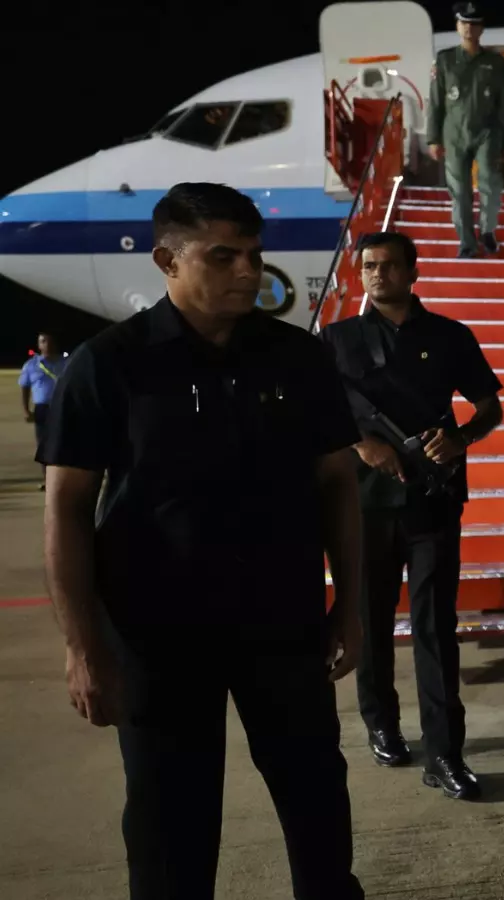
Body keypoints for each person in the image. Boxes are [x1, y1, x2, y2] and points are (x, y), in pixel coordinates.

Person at [37, 182, 365, 899]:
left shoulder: (297, 359)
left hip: (282, 628)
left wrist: (353, 606)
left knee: (317, 803)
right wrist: (82, 645)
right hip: (157, 640)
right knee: (168, 825)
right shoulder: (110, 364)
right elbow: (65, 508)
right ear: (167, 259)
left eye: (253, 254)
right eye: (224, 257)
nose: (249, 271)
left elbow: (339, 484)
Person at [321, 231, 503, 801]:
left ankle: (445, 753)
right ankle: (380, 722)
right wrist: (360, 446)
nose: (378, 274)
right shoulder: (337, 340)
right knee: (371, 619)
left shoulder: (450, 336)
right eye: (369, 266)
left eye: (389, 265)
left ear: (412, 271)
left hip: (434, 498)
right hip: (365, 503)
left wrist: (461, 437)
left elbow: (490, 405)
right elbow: (316, 412)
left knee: (434, 627)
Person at [428, 2, 504, 258]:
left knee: (490, 182)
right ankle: (467, 243)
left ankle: (488, 231)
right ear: (458, 26)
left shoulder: (495, 62)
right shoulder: (445, 60)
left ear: (481, 29)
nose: (469, 29)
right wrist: (433, 138)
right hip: (454, 134)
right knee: (460, 192)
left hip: (488, 133)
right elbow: (435, 101)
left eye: (474, 24)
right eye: (464, 23)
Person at [20, 331, 67, 488]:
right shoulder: (31, 365)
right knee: (43, 445)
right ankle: (48, 480)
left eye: (50, 340)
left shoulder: (66, 363)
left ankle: (62, 479)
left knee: (63, 442)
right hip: (42, 409)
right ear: (39, 345)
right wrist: (26, 410)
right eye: (43, 341)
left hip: (62, 407)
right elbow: (24, 388)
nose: (47, 344)